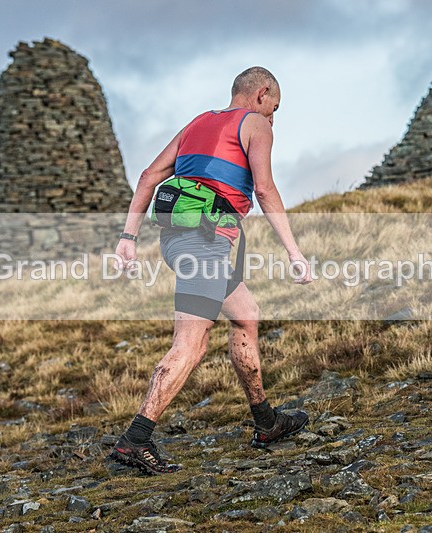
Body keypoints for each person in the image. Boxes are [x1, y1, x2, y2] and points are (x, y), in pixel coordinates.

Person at [109, 67, 314, 474]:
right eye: (275, 107)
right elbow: (264, 189)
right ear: (262, 93)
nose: (273, 118)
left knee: (246, 314)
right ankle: (135, 440)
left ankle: (266, 422)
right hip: (204, 245)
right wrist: (295, 252)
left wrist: (128, 237)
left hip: (179, 240)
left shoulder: (198, 122)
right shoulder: (255, 124)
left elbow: (149, 176)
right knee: (190, 344)